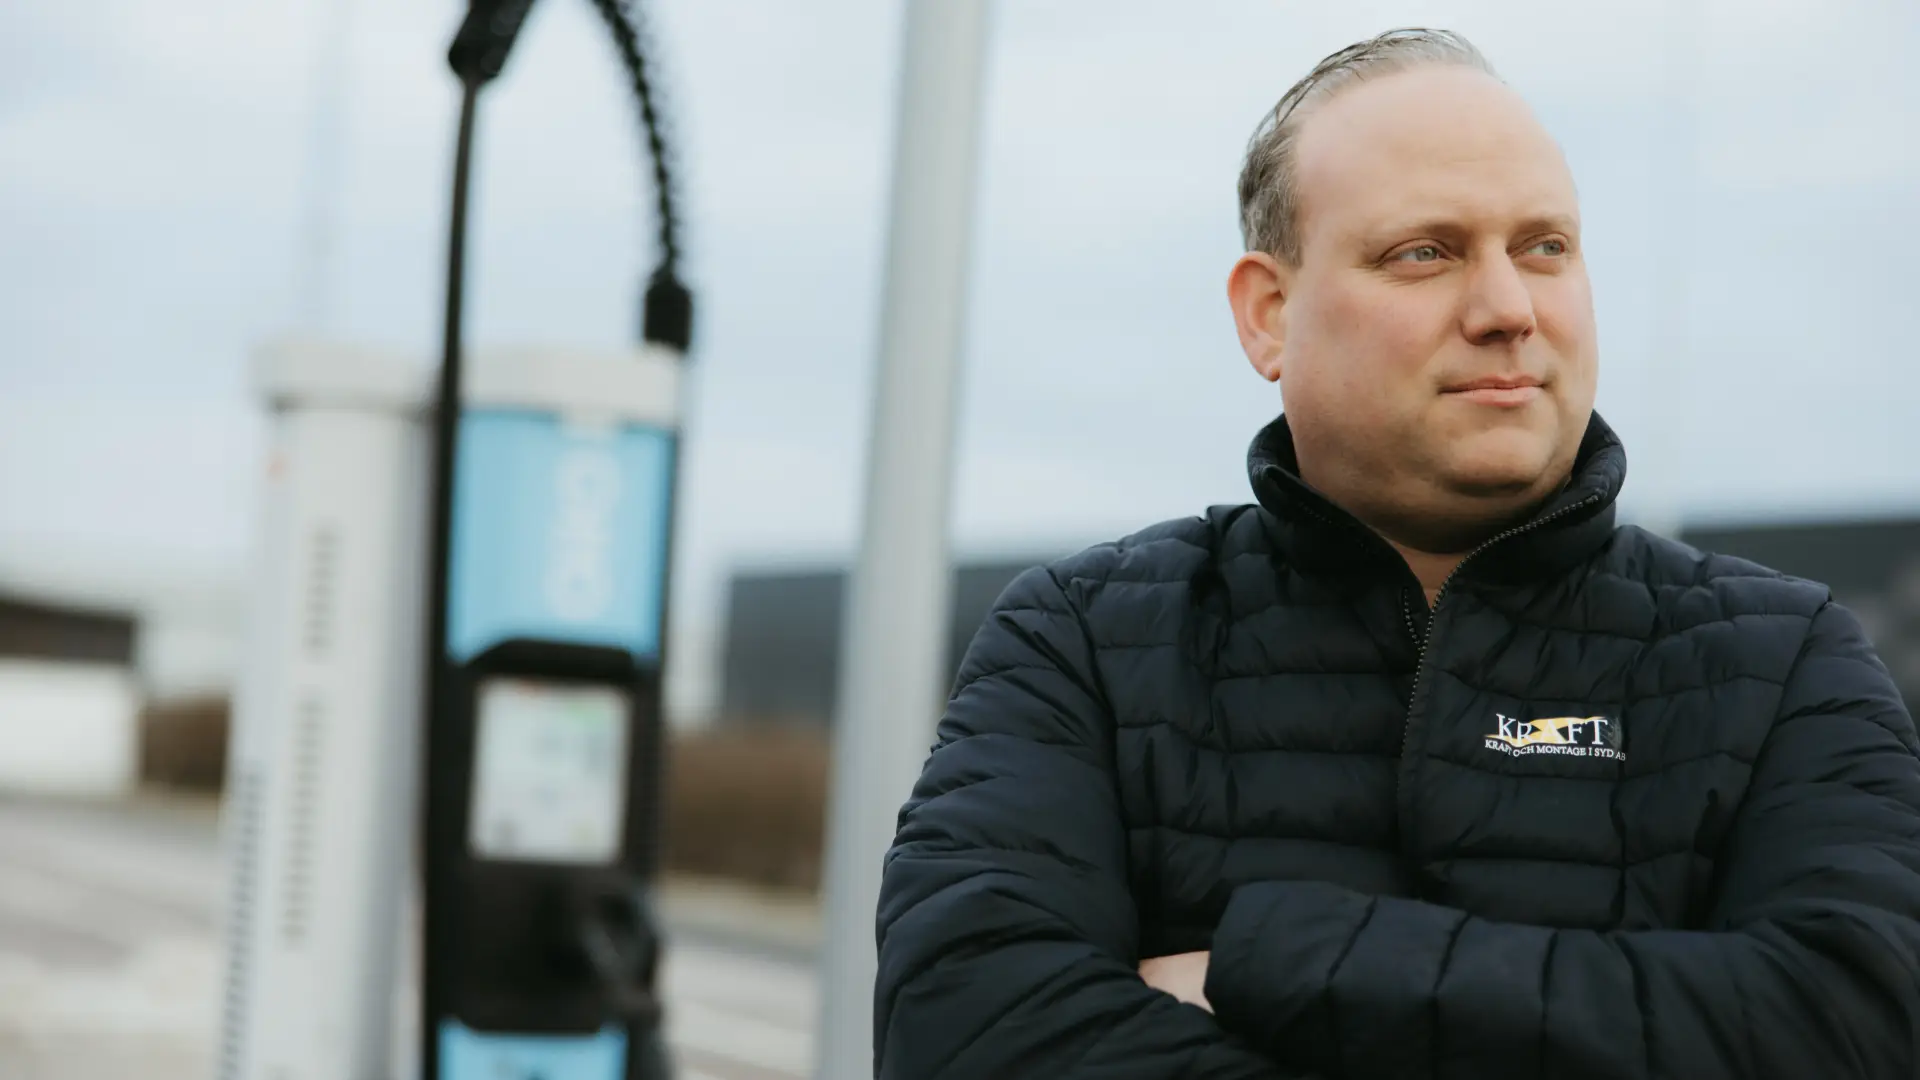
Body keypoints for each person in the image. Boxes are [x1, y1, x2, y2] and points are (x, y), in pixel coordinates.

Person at [871, 26, 1920, 1080]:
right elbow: (967, 1030)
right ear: (1268, 315)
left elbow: (1860, 1026)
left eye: (1545, 246)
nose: (1508, 307)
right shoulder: (1083, 644)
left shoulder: (1783, 662)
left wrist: (1273, 957)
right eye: (1425, 252)